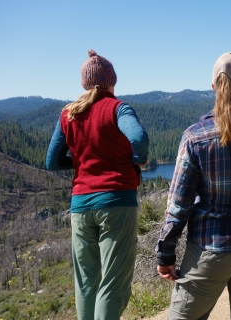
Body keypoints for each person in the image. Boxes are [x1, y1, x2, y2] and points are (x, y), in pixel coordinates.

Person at [156, 52, 231, 320]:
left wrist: (166, 253)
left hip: (211, 249)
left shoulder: (195, 137)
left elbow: (179, 206)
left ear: (214, 87)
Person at [46, 50, 149, 320]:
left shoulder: (68, 114)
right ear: (112, 81)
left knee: (86, 282)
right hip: (116, 202)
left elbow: (52, 162)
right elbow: (138, 138)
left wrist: (82, 159)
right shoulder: (117, 108)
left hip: (80, 206)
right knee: (113, 283)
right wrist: (138, 160)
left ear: (84, 83)